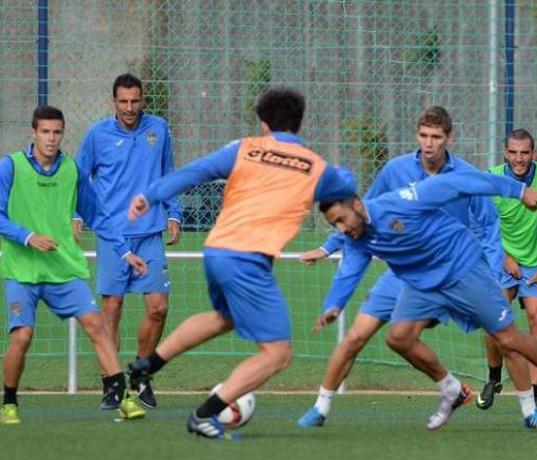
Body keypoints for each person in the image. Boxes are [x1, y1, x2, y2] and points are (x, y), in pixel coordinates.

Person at [298, 108, 537, 431]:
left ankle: (530, 411)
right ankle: (321, 407)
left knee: (505, 336)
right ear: (417, 136)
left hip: (458, 268)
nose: (429, 143)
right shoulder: (395, 171)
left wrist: (493, 274)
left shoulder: (464, 174)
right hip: (406, 272)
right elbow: (358, 216)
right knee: (360, 336)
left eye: (436, 137)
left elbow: (489, 226)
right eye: (424, 136)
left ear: (449, 138)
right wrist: (328, 247)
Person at [126, 88, 356, 440]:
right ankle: (204, 415)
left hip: (217, 250)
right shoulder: (316, 167)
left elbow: (195, 172)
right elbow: (347, 185)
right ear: (299, 122)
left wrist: (150, 195)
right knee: (278, 354)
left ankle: (149, 363)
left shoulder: (245, 147)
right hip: (248, 259)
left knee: (224, 318)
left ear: (264, 124)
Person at [317, 169, 537, 431]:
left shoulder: (404, 200)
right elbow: (348, 273)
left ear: (357, 205)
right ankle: (451, 389)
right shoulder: (353, 239)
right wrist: (333, 305)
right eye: (334, 225)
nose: (341, 229)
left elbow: (464, 181)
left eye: (341, 219)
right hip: (422, 281)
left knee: (507, 338)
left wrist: (518, 190)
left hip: (461, 266)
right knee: (398, 337)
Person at [0, 105, 148, 425]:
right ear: (33, 133)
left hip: (63, 268)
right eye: (45, 132)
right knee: (22, 337)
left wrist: (125, 252)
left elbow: (98, 217)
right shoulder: (10, 167)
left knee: (96, 326)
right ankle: (9, 401)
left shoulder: (72, 170)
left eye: (57, 132)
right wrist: (27, 237)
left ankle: (122, 397)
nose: (51, 139)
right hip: (22, 270)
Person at [75, 73, 182, 408]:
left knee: (158, 307)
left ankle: (141, 375)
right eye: (123, 101)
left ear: (142, 100)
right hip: (112, 234)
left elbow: (169, 172)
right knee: (112, 308)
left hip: (150, 231)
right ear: (114, 102)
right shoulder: (97, 134)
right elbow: (79, 178)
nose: (130, 107)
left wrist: (173, 212)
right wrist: (78, 215)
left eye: (135, 101)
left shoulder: (159, 129)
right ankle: (113, 382)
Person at [477, 128, 537, 409]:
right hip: (499, 258)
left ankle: (534, 394)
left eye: (525, 153)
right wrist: (505, 256)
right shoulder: (491, 179)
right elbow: (482, 226)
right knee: (494, 322)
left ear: (534, 153)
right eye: (513, 153)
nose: (519, 159)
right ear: (505, 153)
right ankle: (494, 377)